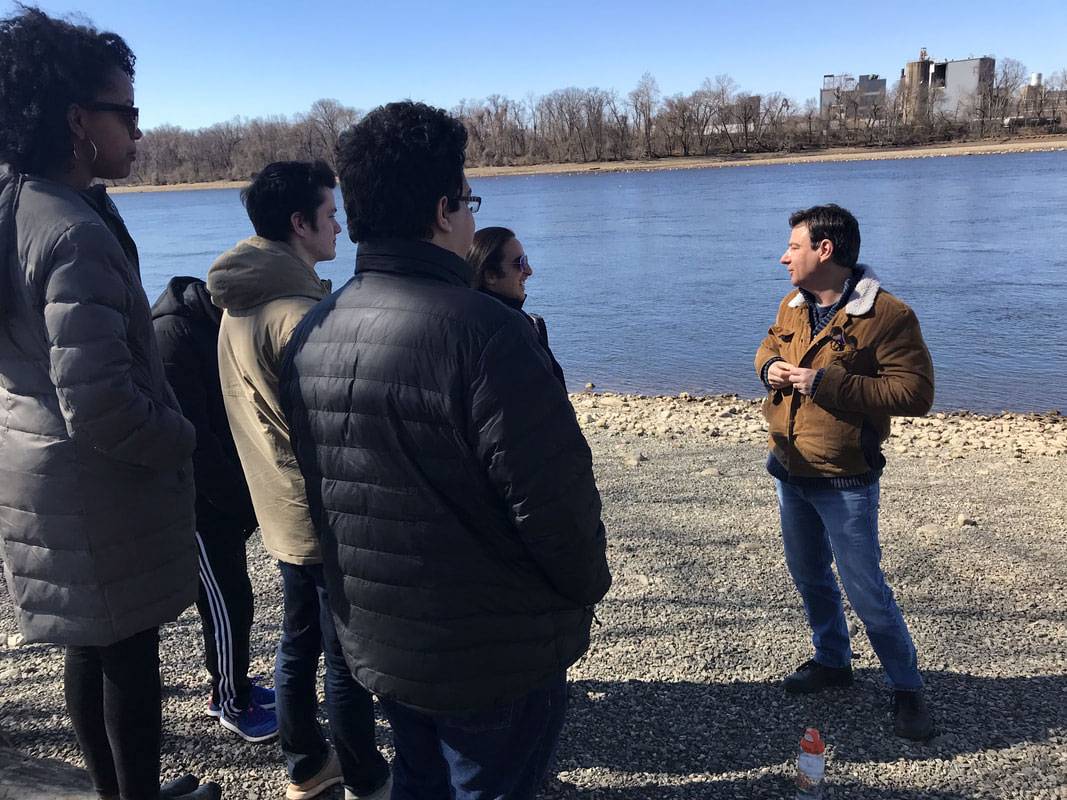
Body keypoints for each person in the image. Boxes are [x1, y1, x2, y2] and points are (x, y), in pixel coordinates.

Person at [279, 101, 612, 800]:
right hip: (492, 652)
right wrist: (584, 589)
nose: (469, 215)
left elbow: (323, 491)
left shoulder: (314, 328)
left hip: (382, 638)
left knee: (418, 781)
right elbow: (554, 503)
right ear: (442, 211)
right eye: (467, 200)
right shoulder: (488, 333)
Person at [0, 9, 219, 799]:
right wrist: (184, 435)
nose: (140, 129)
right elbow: (98, 405)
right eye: (125, 112)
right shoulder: (70, 231)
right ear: (76, 122)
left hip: (39, 473)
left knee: (88, 651)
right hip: (95, 485)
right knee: (126, 658)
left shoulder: (19, 204)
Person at [207, 161, 390, 800]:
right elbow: (343, 433)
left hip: (278, 508)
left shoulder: (240, 303)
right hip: (321, 513)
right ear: (298, 224)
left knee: (298, 639)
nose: (339, 224)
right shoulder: (296, 314)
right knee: (343, 657)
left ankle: (305, 763)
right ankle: (364, 776)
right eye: (329, 213)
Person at [755, 203, 936, 740]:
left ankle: (907, 689)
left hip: (845, 478)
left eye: (794, 246)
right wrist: (770, 368)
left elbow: (915, 393)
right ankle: (833, 661)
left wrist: (826, 383)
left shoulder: (889, 315)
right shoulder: (794, 303)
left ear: (824, 250)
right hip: (791, 469)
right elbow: (767, 345)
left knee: (865, 591)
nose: (784, 256)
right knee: (810, 576)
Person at [150, 277, 277, 742]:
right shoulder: (174, 337)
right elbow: (194, 442)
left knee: (232, 598)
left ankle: (236, 685)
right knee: (226, 602)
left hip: (220, 497)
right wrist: (242, 503)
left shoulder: (212, 327)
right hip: (195, 504)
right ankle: (229, 700)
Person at [468, 226, 566, 387]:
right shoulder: (507, 331)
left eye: (526, 261)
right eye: (520, 263)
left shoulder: (470, 322)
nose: (529, 271)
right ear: (490, 275)